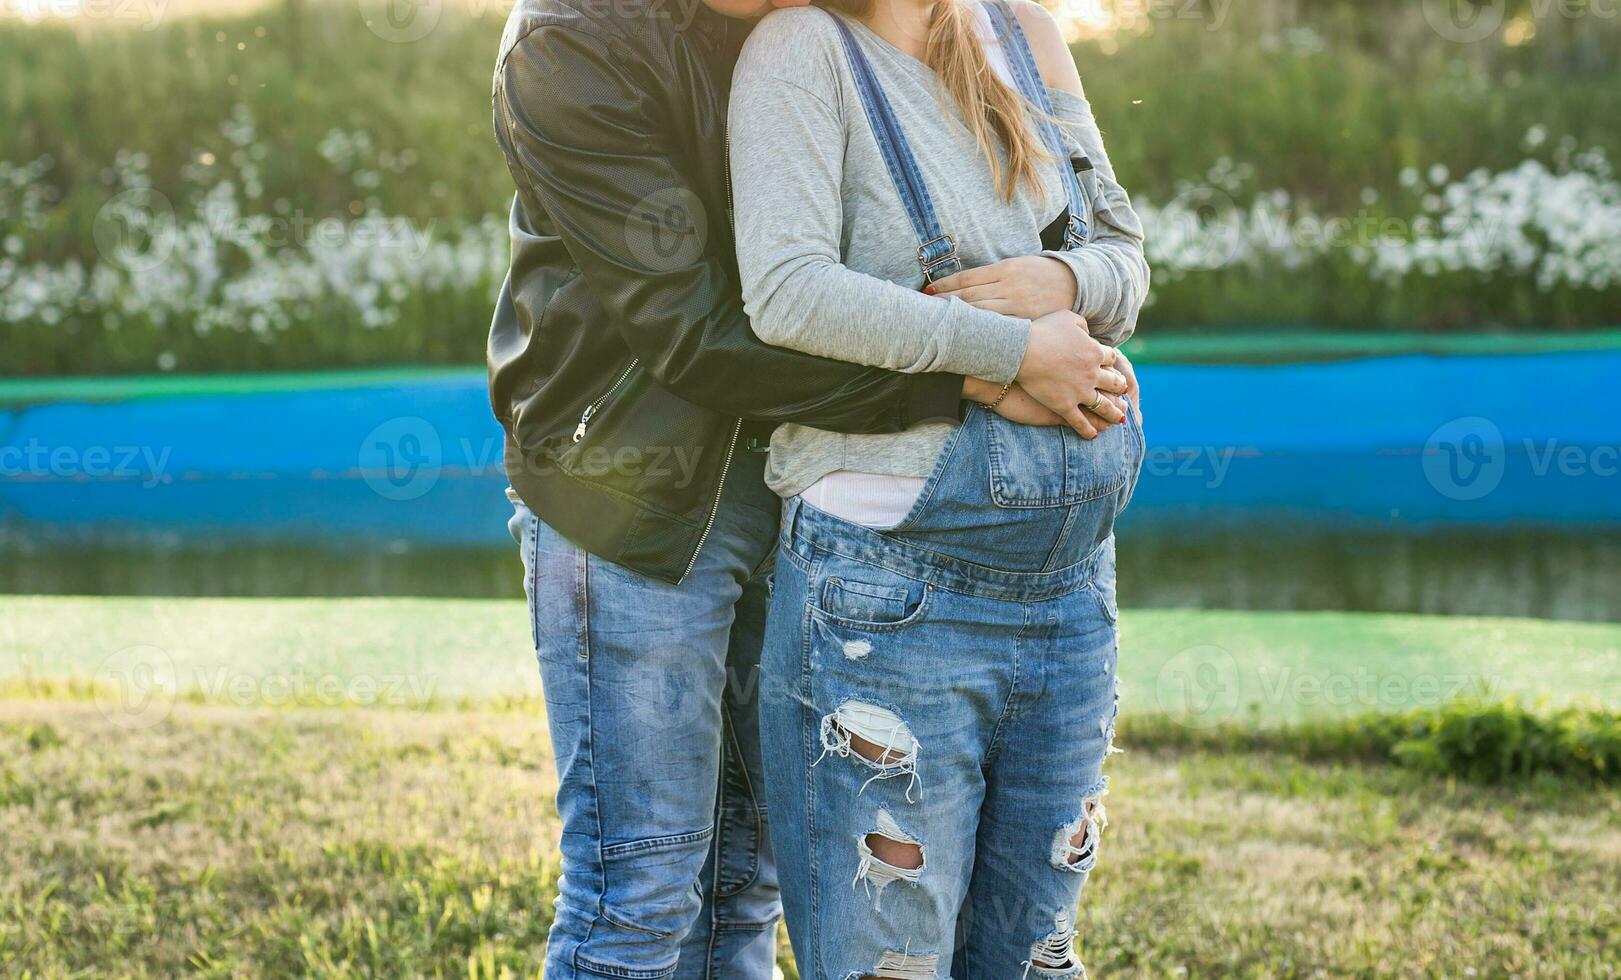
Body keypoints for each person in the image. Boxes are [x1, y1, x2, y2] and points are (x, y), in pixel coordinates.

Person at [486, 0, 1117, 974]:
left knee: (745, 878)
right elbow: (698, 330)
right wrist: (978, 372)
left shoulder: (797, 25)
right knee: (641, 890)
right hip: (629, 489)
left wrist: (1058, 288)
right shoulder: (569, 45)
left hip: (781, 480)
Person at [728, 0, 1149, 974]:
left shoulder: (1027, 35)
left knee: (1033, 956)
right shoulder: (801, 52)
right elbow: (786, 289)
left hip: (1070, 593)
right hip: (886, 597)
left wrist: (1060, 282)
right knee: (892, 959)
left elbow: (1124, 254)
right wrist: (1013, 354)